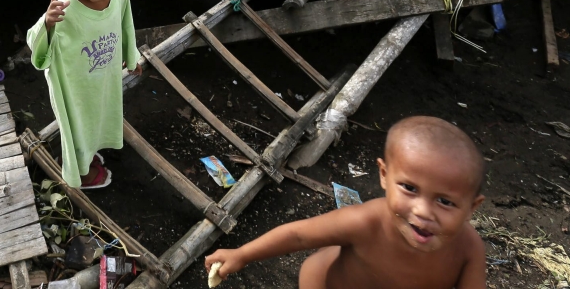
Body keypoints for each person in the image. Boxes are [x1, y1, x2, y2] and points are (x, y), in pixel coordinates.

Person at [204, 116, 487, 289]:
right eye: (410, 188)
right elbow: (299, 234)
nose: (424, 211)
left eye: (446, 202)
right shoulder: (366, 221)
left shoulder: (468, 248)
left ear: (471, 208)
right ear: (385, 176)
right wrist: (241, 254)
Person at [27, 0, 140, 190]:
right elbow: (36, 45)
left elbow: (126, 25)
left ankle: (89, 158)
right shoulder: (64, 8)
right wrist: (48, 22)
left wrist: (131, 56)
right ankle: (83, 175)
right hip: (74, 88)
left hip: (103, 78)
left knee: (100, 118)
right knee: (78, 129)